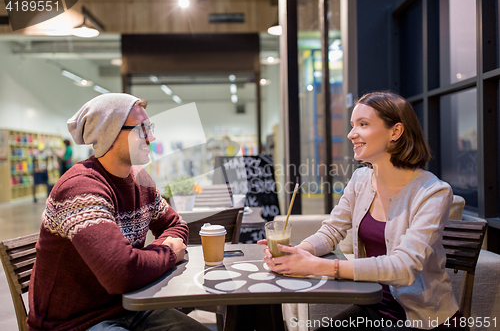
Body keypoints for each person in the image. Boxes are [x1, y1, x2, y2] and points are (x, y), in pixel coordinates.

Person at [259, 92, 463, 330]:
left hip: (421, 320)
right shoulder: (361, 179)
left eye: (363, 124)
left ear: (395, 132)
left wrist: (319, 266)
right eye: (352, 125)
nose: (351, 134)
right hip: (373, 308)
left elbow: (405, 267)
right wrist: (295, 253)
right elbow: (332, 231)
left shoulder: (433, 192)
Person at [27, 93, 209, 331]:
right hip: (76, 323)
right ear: (110, 133)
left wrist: (143, 261)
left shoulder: (140, 179)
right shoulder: (80, 188)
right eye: (142, 129)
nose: (151, 137)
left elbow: (176, 225)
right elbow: (119, 273)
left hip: (130, 306)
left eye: (150, 128)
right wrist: (167, 252)